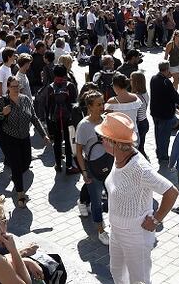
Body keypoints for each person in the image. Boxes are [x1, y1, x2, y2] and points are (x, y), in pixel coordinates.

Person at [99, 112, 178, 284]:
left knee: (139, 280)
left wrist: (156, 219)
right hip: (116, 231)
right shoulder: (118, 157)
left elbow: (171, 192)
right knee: (117, 273)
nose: (101, 141)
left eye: (103, 138)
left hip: (135, 235)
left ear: (116, 143)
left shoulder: (140, 169)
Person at [0, 76, 51, 207]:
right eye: (13, 86)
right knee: (16, 165)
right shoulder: (2, 101)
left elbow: (34, 118)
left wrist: (43, 135)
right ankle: (20, 193)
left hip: (24, 137)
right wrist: (3, 113)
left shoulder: (25, 99)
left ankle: (16, 178)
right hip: (8, 138)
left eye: (18, 86)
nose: (16, 89)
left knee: (26, 162)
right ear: (8, 88)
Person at [74, 91, 111, 245]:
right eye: (98, 104)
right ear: (89, 107)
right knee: (96, 200)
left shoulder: (106, 120)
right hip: (93, 168)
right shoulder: (84, 126)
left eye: (102, 103)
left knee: (111, 196)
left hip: (108, 165)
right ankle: (100, 229)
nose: (102, 107)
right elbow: (78, 151)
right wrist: (84, 172)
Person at [43, 64, 78, 174]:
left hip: (55, 118)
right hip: (68, 118)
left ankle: (58, 164)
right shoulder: (70, 86)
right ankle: (69, 165)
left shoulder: (50, 87)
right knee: (68, 141)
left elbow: (47, 105)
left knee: (57, 142)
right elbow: (74, 101)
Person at [149, 61, 179, 163]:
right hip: (165, 114)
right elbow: (175, 96)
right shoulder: (166, 82)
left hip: (155, 112)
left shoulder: (154, 78)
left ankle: (159, 152)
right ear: (167, 70)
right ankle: (163, 155)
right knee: (164, 136)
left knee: (157, 134)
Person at [129, 71, 150, 159]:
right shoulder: (145, 93)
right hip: (145, 121)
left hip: (139, 124)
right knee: (141, 146)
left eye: (131, 80)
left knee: (137, 148)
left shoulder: (135, 97)